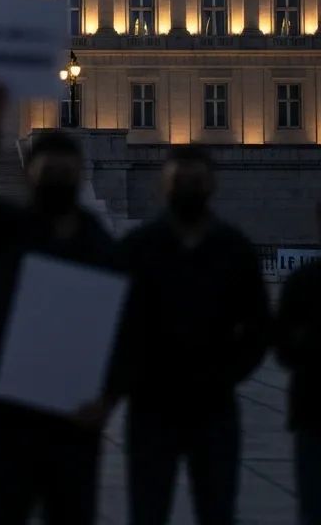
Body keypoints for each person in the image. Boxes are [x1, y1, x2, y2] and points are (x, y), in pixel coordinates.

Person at [0, 83, 118, 525]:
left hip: (73, 417)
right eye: (51, 171)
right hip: (9, 415)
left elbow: (125, 332)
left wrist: (111, 396)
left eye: (65, 172)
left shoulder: (102, 248)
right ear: (30, 175)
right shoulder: (11, 230)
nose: (58, 180)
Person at [118, 144, 270, 525]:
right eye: (180, 181)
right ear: (163, 187)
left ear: (212, 185)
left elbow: (259, 326)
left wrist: (226, 374)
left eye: (195, 181)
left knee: (216, 508)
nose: (188, 188)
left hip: (211, 405)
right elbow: (114, 323)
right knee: (148, 508)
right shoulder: (138, 248)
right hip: (153, 404)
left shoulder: (234, 249)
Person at [276, 204, 321, 525]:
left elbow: (282, 347)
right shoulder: (302, 283)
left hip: (312, 410)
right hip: (312, 414)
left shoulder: (303, 282)